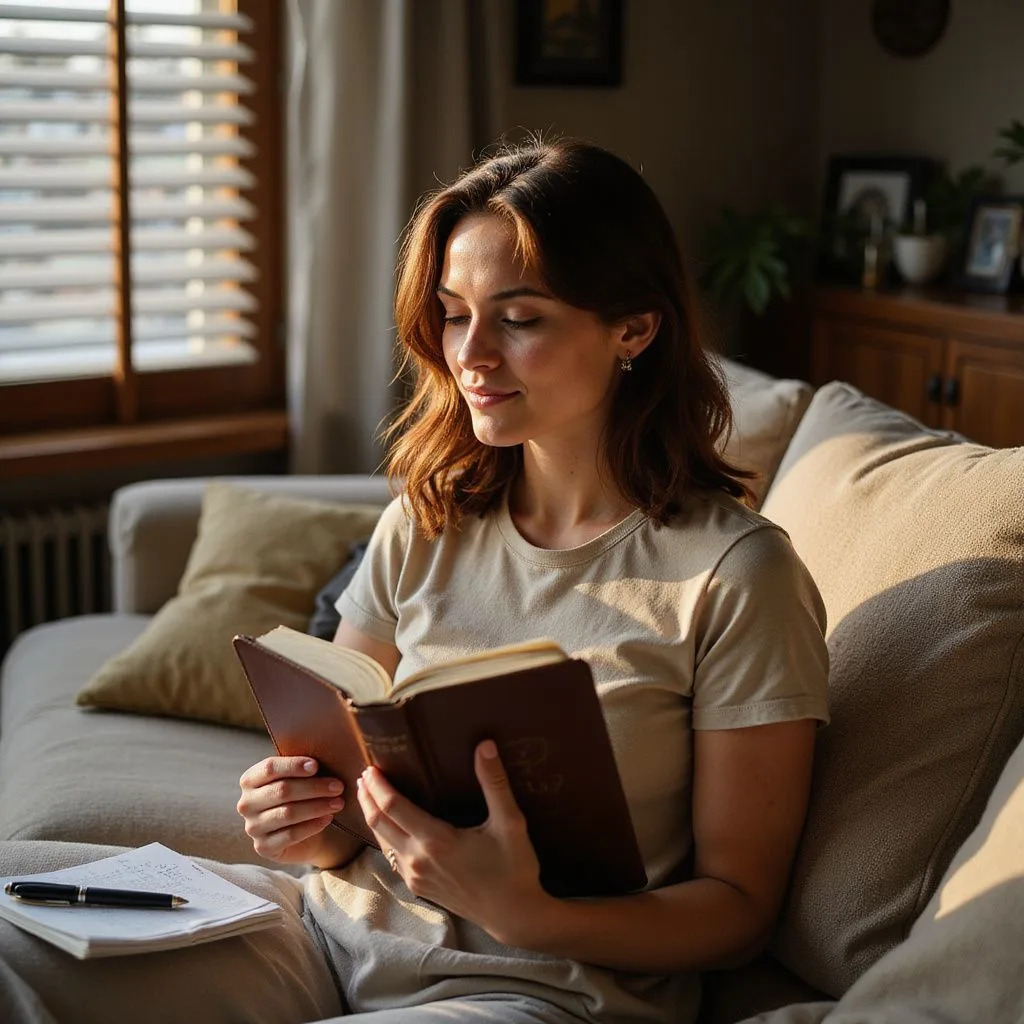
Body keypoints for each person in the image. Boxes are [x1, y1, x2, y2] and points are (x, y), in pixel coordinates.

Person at [0, 137, 828, 1024]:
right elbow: (351, 788)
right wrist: (308, 821)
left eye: (520, 318)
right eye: (452, 312)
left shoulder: (739, 576)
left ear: (634, 326)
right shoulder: (428, 521)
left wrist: (532, 915)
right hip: (324, 933)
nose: (470, 354)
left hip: (532, 987)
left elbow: (739, 912)